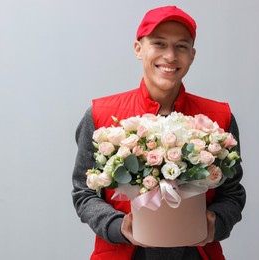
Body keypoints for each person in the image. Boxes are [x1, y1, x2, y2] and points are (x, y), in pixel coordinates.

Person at [72, 6, 246, 260]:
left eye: (181, 46)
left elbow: (232, 192)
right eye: (159, 43)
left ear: (192, 55)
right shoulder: (101, 115)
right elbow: (84, 192)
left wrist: (215, 223)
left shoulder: (217, 118)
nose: (170, 56)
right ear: (138, 49)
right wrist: (118, 226)